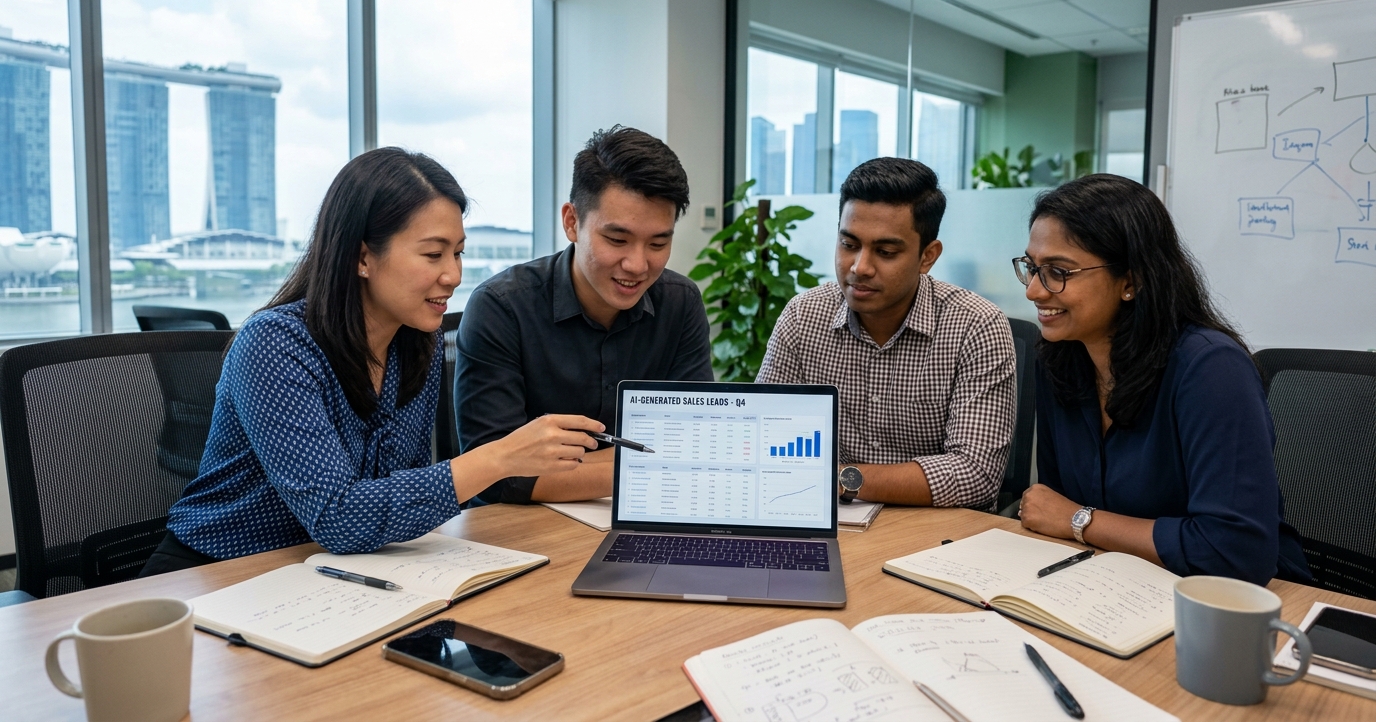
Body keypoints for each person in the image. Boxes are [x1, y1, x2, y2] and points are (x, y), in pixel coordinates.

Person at [143, 148, 603, 574]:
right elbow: (338, 517)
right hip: (216, 573)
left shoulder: (413, 344)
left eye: (458, 253)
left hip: (331, 571)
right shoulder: (276, 343)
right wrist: (499, 458)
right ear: (363, 256)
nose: (454, 275)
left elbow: (397, 498)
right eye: (433, 254)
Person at [1015, 174, 1311, 585]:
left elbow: (1235, 552)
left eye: (1058, 272)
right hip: (1112, 586)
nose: (1033, 290)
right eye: (1032, 267)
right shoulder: (1060, 358)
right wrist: (1070, 522)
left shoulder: (1211, 369)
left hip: (1237, 605)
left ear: (1131, 281)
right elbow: (1053, 509)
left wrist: (1079, 521)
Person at [456, 126, 712, 505]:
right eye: (617, 240)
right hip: (517, 532)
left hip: (638, 520)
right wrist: (651, 463)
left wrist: (553, 469)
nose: (638, 264)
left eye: (659, 243)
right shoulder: (502, 307)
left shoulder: (680, 302)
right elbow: (495, 477)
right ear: (572, 222)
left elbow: (696, 442)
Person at [756, 157, 1016, 509]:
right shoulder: (804, 316)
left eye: (886, 252)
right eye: (849, 245)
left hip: (934, 538)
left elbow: (975, 476)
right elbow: (762, 438)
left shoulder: (976, 325)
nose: (860, 267)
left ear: (928, 256)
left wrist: (842, 479)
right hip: (829, 523)